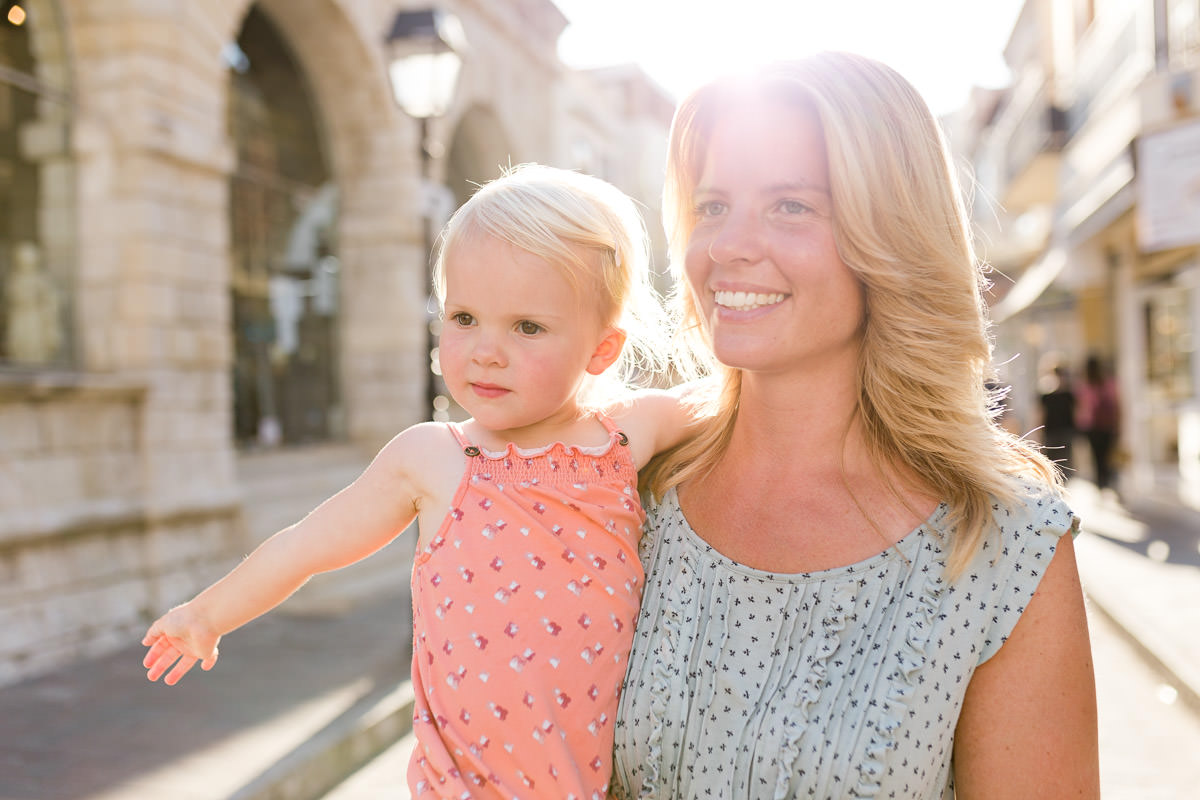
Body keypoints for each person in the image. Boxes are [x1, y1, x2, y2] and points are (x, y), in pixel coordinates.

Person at [612, 53, 1100, 799]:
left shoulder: (1001, 545)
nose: (729, 247)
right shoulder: (625, 491)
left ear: (891, 235)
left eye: (791, 206)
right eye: (712, 206)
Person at [140, 164, 702, 799]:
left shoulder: (627, 435)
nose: (485, 350)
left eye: (527, 327)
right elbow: (304, 546)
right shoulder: (433, 458)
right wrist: (207, 614)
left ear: (602, 348)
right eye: (464, 317)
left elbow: (747, 397)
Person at [1077, 354, 1120, 493]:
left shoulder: (1085, 386)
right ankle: (1108, 482)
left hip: (1092, 428)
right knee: (1108, 456)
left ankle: (1101, 484)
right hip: (1108, 426)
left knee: (1097, 457)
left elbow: (1082, 409)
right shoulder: (1109, 383)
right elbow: (1117, 405)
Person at [1039, 364, 1078, 477]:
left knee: (1065, 461)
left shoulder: (1069, 395)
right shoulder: (1046, 396)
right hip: (1051, 432)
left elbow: (1076, 414)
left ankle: (1063, 484)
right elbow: (1040, 415)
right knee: (1052, 461)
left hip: (1065, 431)